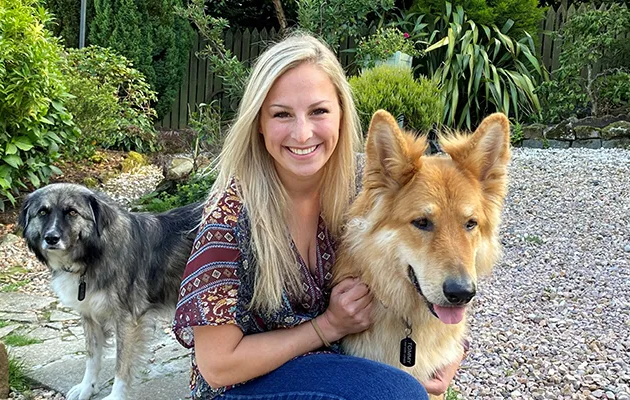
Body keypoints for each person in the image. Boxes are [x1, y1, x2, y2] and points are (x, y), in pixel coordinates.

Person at [172, 32, 462, 400]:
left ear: (342, 113)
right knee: (397, 394)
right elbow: (217, 366)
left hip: (328, 365)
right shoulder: (230, 219)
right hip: (243, 385)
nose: (303, 132)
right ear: (258, 123)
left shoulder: (365, 188)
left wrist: (450, 350)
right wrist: (328, 326)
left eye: (319, 111)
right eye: (281, 114)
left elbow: (437, 259)